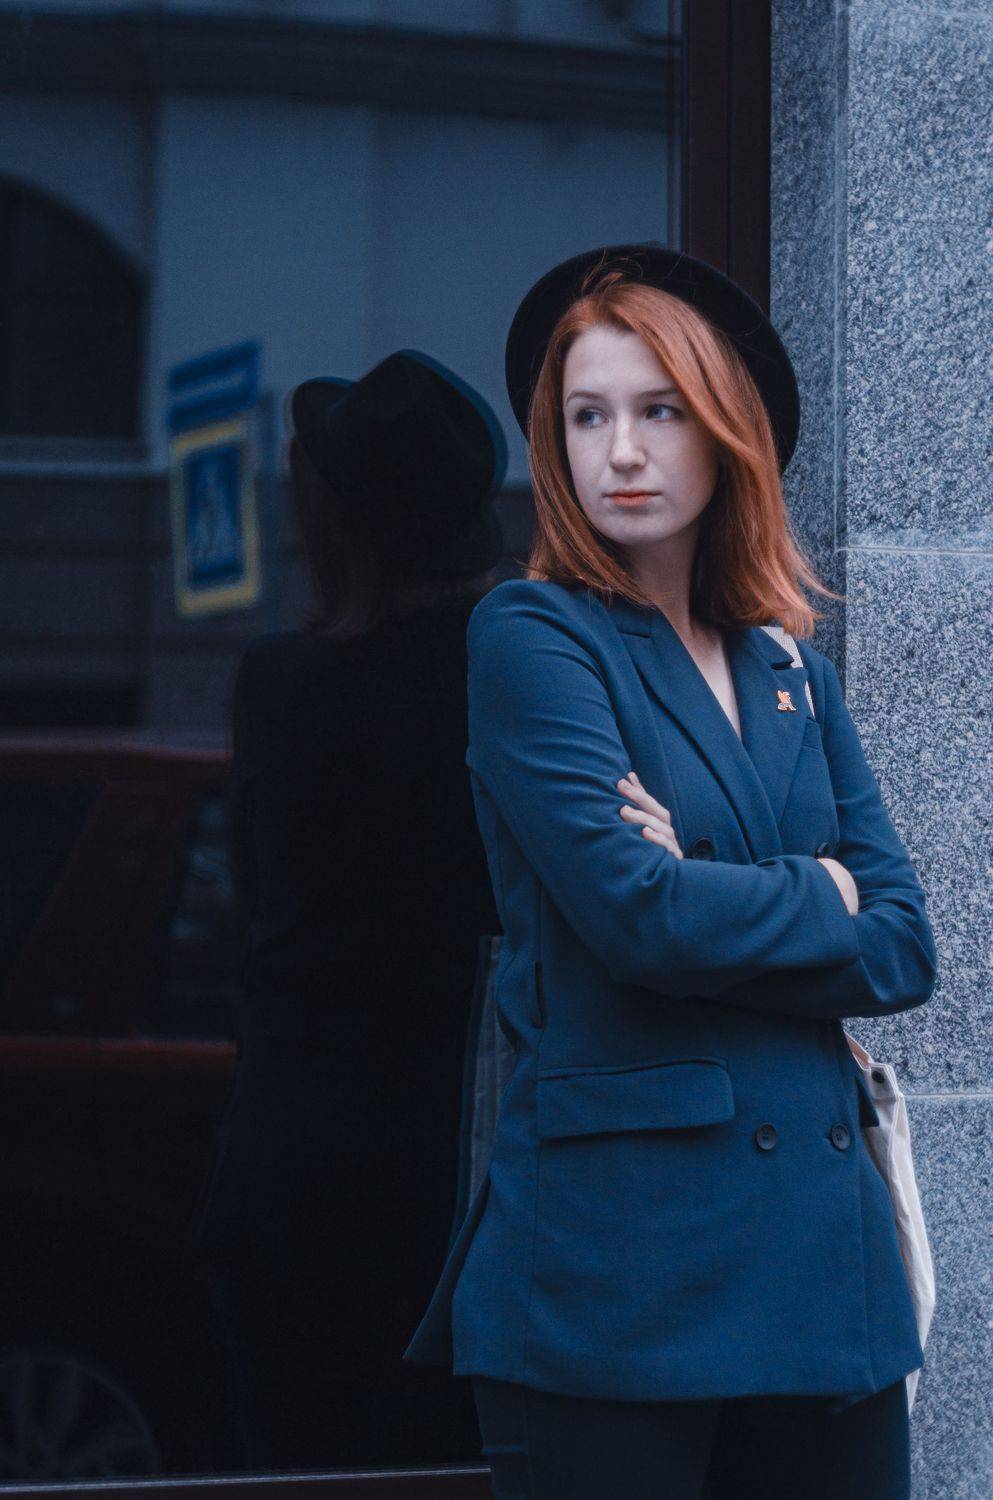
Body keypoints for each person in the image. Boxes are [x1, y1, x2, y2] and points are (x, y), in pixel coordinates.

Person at [402, 246, 938, 1499]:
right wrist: (822, 890)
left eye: (660, 411)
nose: (623, 452)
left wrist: (718, 885)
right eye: (587, 418)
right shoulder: (533, 636)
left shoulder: (789, 666)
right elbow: (638, 919)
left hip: (826, 1275)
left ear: (726, 431)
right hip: (622, 1276)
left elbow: (906, 944)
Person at [194, 349, 507, 1470]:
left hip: (295, 1156)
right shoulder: (509, 675)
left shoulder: (284, 684)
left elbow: (253, 917)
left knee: (301, 1461)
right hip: (458, 1162)